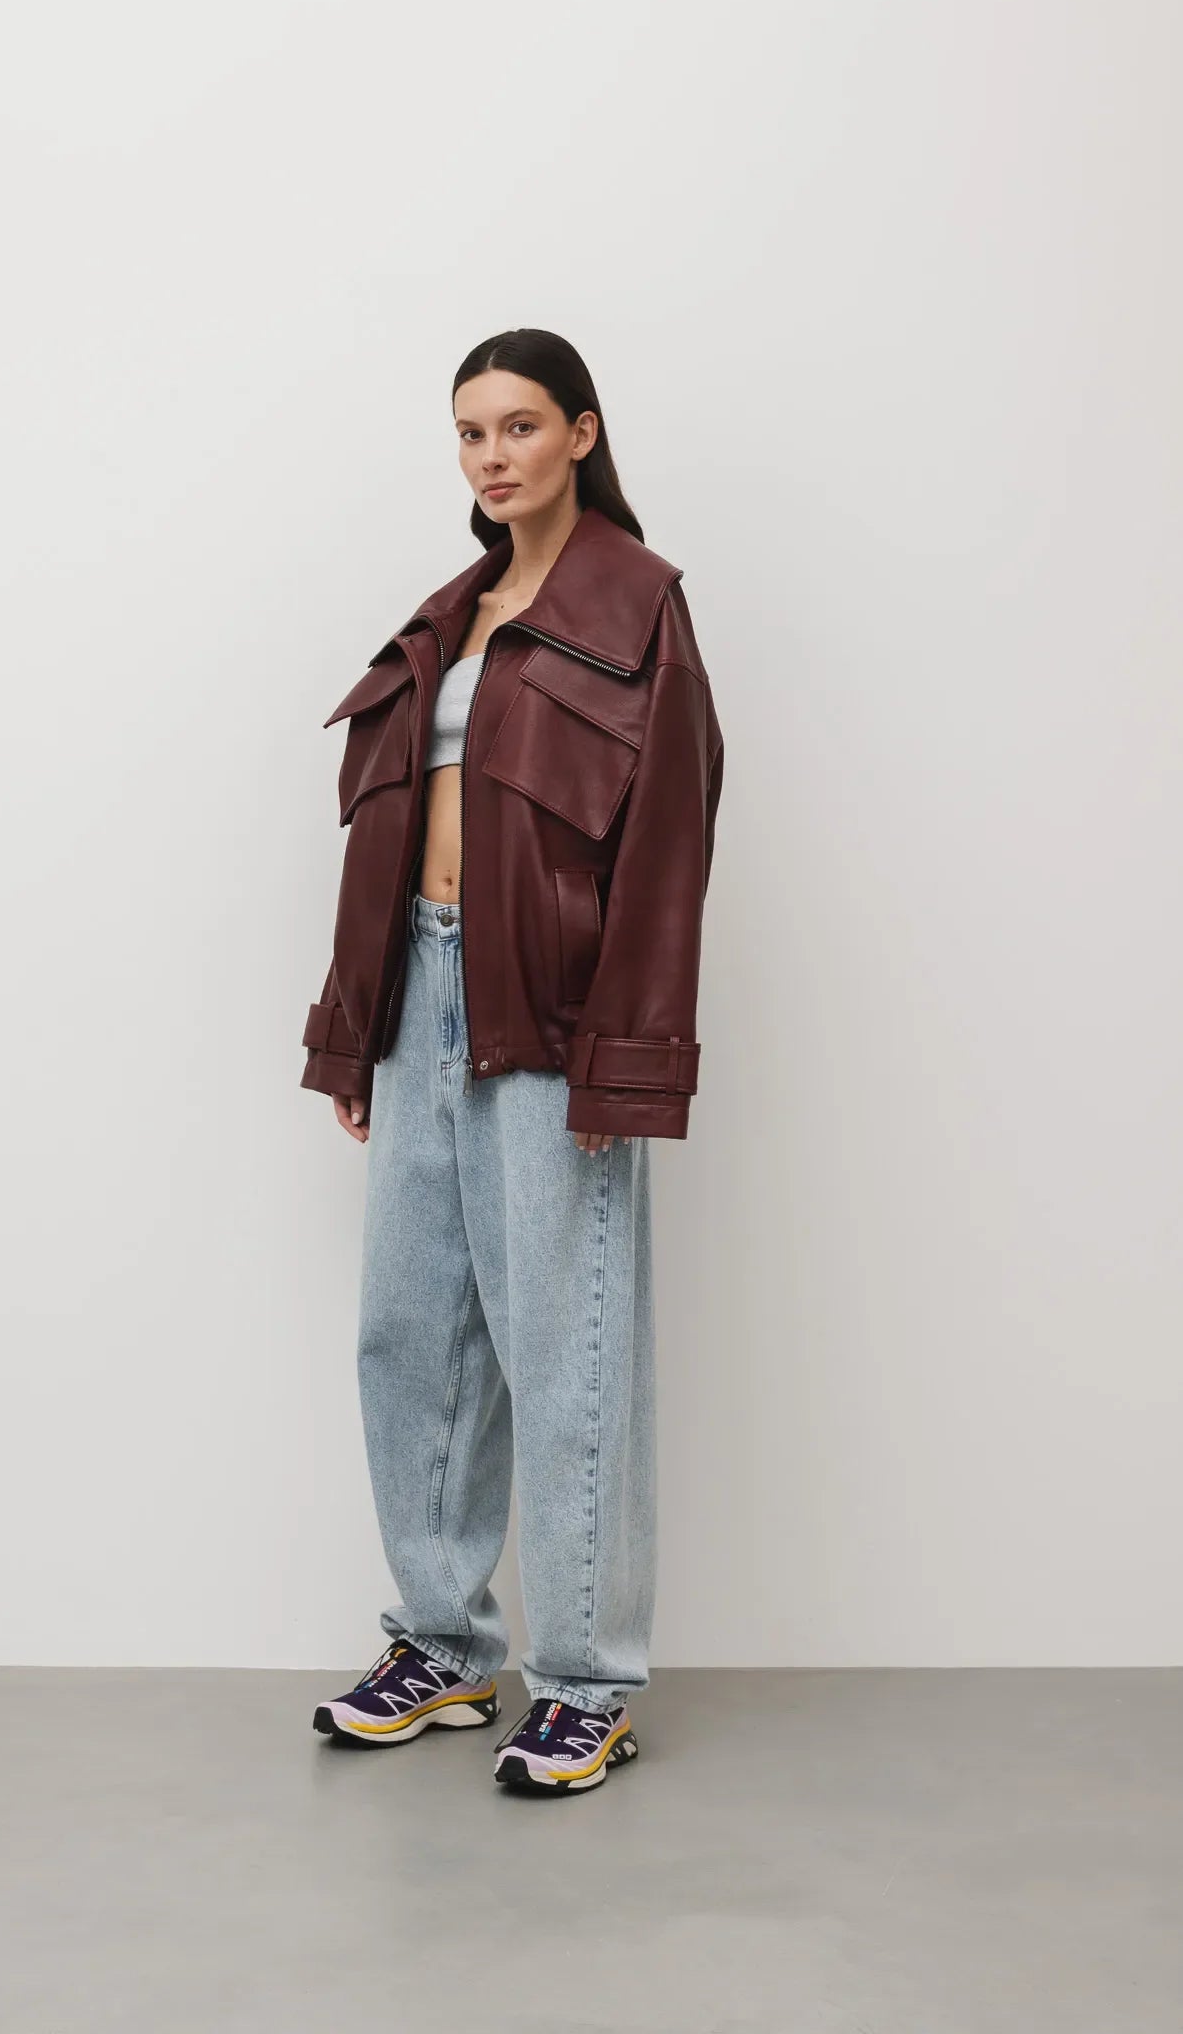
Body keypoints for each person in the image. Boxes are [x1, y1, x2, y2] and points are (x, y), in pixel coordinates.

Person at [301, 328, 725, 1795]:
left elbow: (667, 851)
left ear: (582, 434)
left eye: (521, 425)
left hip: (547, 1015)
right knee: (411, 1333)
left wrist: (623, 1061)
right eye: (471, 431)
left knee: (566, 1345)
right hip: (421, 1000)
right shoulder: (449, 616)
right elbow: (382, 840)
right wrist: (355, 1031)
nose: (493, 455)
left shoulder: (637, 605)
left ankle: (588, 1681)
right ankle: (441, 1644)